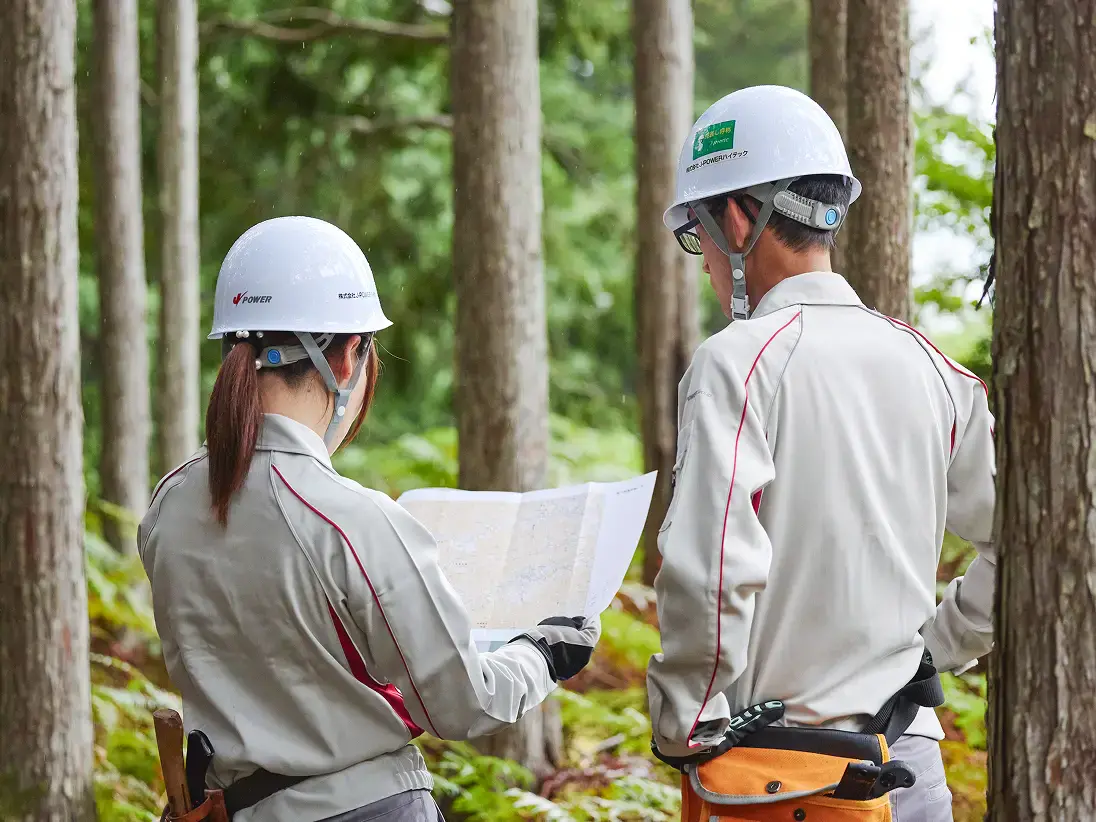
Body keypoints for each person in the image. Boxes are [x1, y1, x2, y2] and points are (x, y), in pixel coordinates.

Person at [138, 216, 600, 822]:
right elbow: (462, 705)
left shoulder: (169, 505)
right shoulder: (347, 520)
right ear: (351, 356)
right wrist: (542, 654)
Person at [647, 86, 995, 821]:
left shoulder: (737, 363)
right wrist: (939, 644)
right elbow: (1022, 545)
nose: (703, 258)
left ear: (738, 218)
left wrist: (683, 721)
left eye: (699, 232)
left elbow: (711, 570)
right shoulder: (936, 368)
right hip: (912, 765)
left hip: (788, 777)